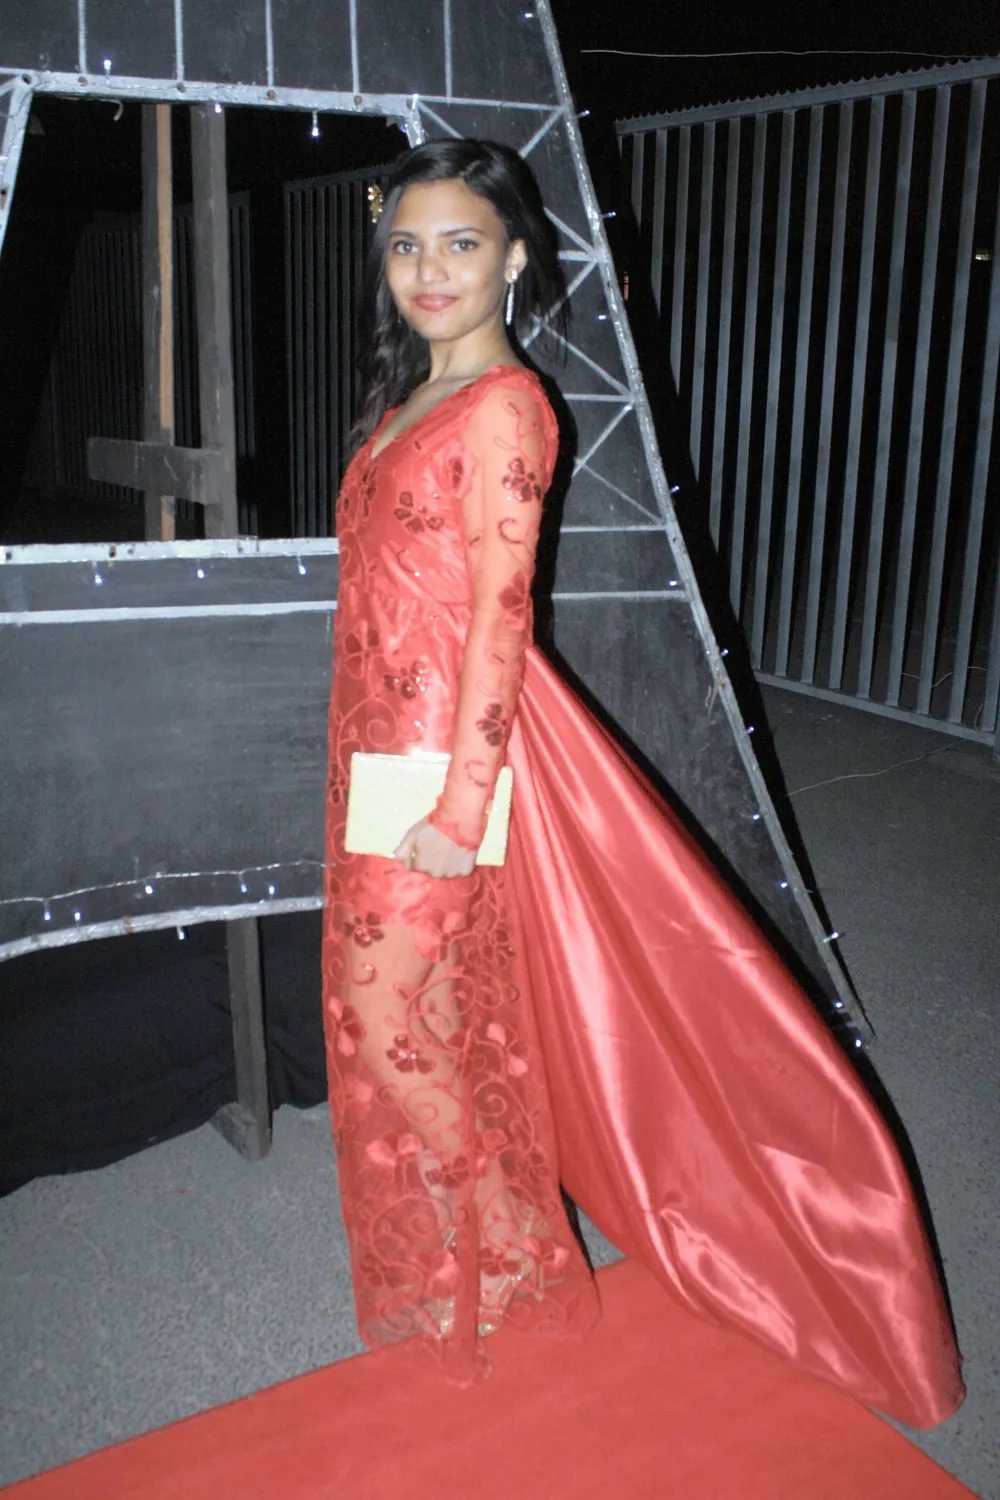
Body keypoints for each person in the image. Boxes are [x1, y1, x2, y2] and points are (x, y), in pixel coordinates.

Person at [322, 139, 964, 1422]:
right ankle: (505, 1240)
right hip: (376, 751)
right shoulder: (409, 394)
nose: (430, 271)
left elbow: (501, 615)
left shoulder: (504, 405)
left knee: (385, 1015)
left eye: (461, 244)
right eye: (407, 246)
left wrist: (461, 804)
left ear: (515, 259)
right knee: (402, 1015)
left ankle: (504, 1242)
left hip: (443, 761)